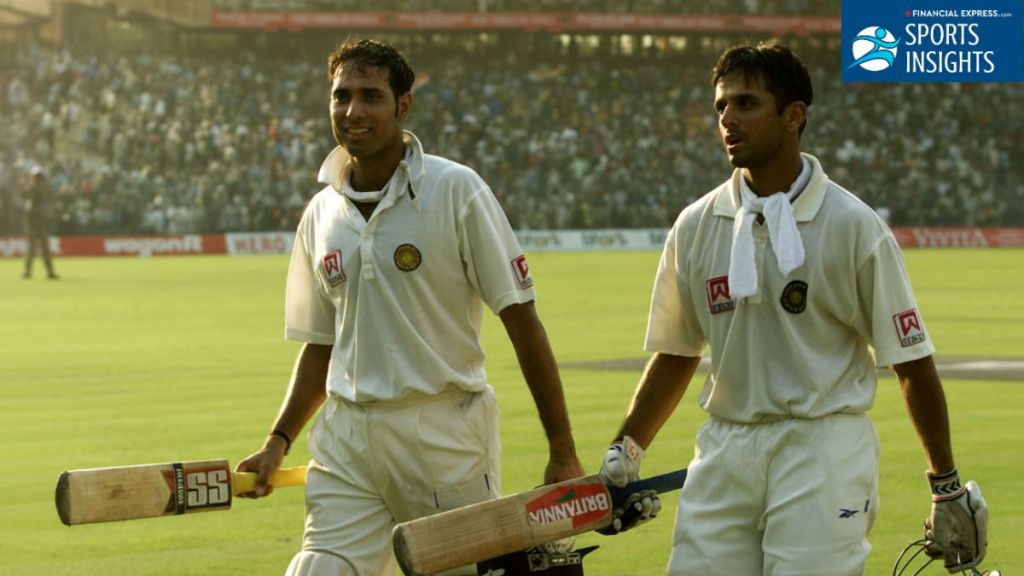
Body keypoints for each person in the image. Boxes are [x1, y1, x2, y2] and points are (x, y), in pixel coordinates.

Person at [597, 40, 989, 574]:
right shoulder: (695, 225)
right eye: (721, 106)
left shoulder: (853, 225)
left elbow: (910, 362)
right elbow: (677, 353)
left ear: (794, 116)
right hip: (724, 448)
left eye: (746, 103)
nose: (727, 119)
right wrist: (627, 449)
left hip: (823, 447)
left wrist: (945, 486)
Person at [236, 38, 584, 576]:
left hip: (442, 434)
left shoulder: (456, 189)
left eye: (370, 96)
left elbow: (522, 321)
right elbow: (321, 345)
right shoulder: (321, 212)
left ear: (403, 106)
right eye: (341, 96)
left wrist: (562, 449)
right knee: (317, 570)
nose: (353, 111)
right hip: (347, 438)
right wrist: (278, 440)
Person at [22, 166, 58, 280]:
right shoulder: (35, 187)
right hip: (34, 221)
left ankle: (46, 271)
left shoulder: (41, 187)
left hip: (39, 220)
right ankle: (30, 271)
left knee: (40, 247)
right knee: (33, 247)